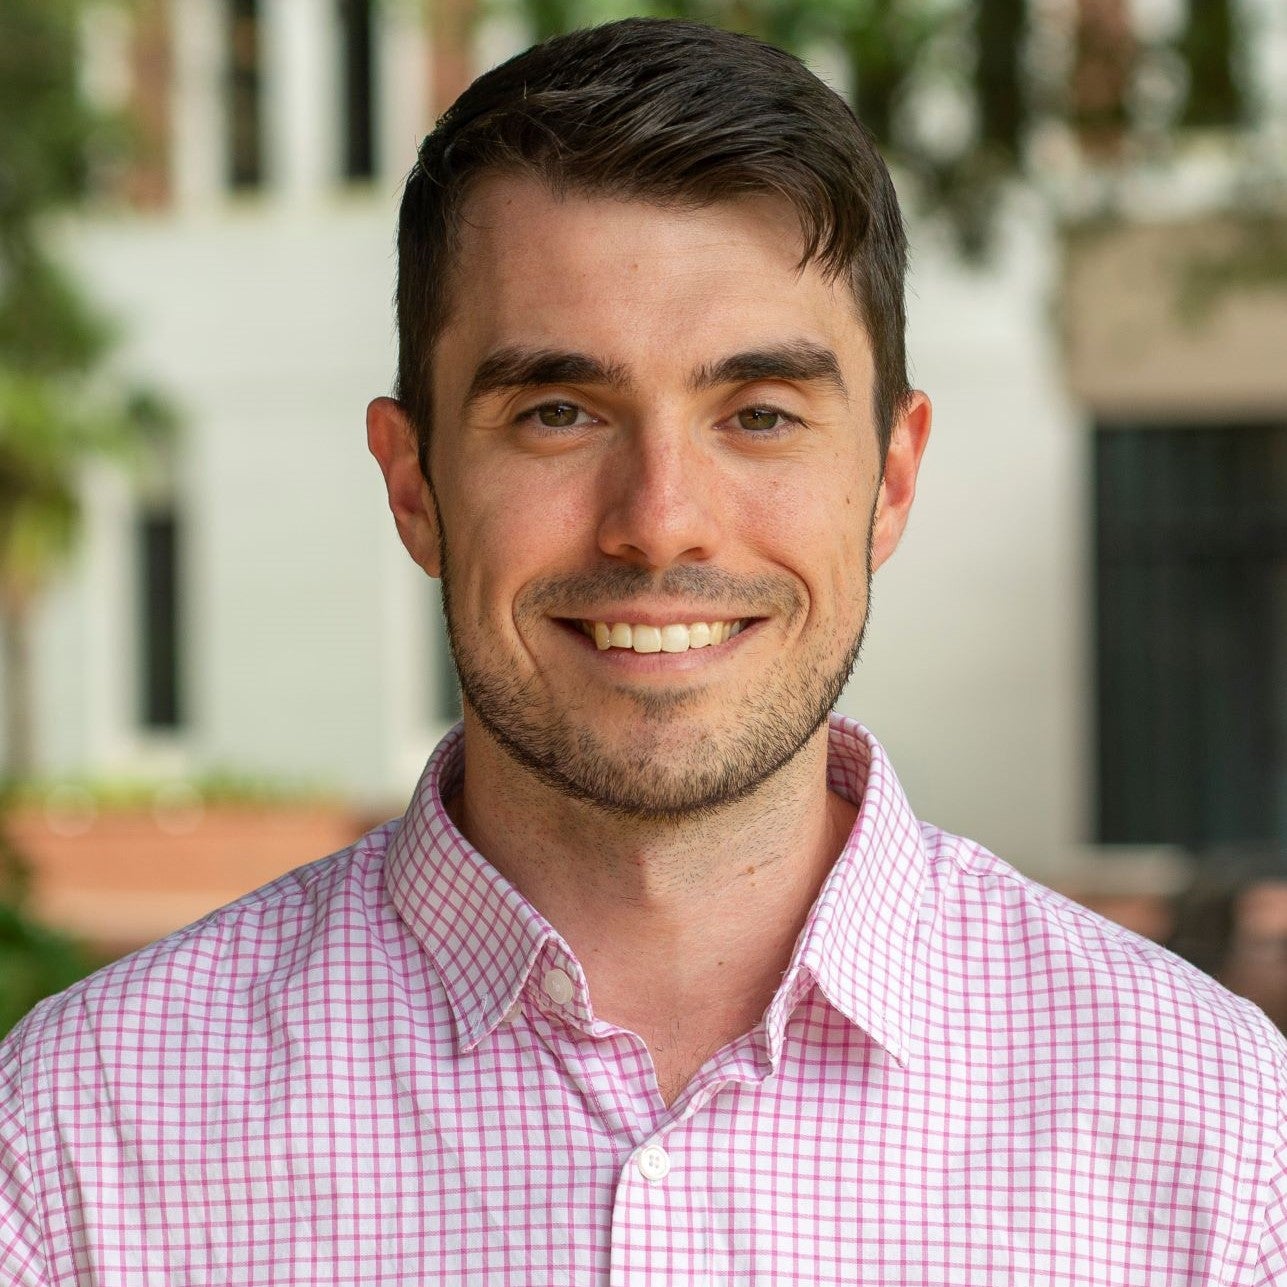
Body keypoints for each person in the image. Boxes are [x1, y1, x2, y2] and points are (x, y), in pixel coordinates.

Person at [2, 18, 1284, 1285]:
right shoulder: (76, 1143)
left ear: (892, 479)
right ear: (413, 484)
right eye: (559, 412)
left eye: (760, 414)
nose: (660, 520)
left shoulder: (1222, 1137)